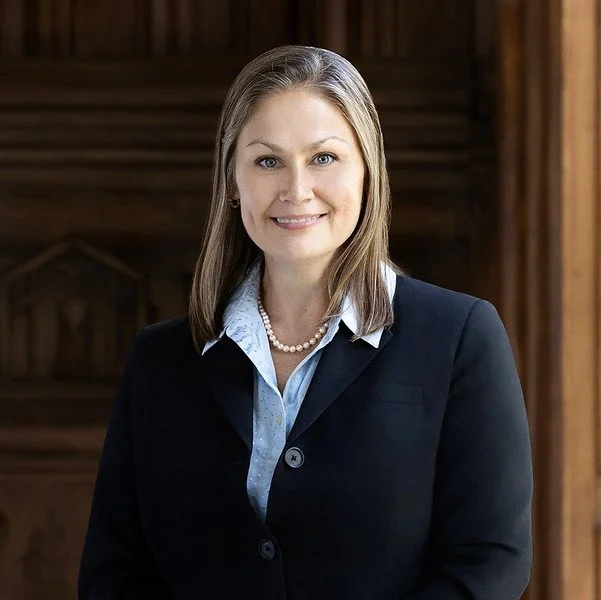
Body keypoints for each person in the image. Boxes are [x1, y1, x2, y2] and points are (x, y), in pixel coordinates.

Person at [78, 45, 533, 599]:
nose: (296, 190)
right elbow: (115, 572)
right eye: (267, 161)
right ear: (232, 181)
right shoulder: (162, 359)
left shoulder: (460, 336)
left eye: (323, 158)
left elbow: (488, 561)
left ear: (368, 170)